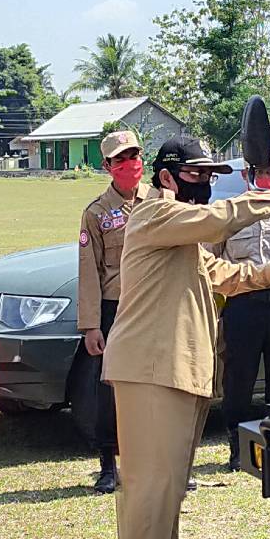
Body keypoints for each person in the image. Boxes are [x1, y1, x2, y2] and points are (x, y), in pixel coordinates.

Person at [102, 137, 270, 539]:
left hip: (178, 370)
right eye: (194, 174)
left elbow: (223, 273)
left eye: (208, 175)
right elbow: (222, 218)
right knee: (150, 484)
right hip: (149, 370)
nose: (203, 183)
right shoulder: (153, 216)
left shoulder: (182, 236)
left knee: (172, 483)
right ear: (166, 177)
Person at [209, 148, 270, 471]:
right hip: (241, 304)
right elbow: (211, 260)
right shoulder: (229, 214)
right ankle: (236, 446)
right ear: (246, 175)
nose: (267, 175)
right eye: (260, 169)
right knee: (238, 379)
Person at [77, 130, 149, 494]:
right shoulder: (97, 213)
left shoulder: (162, 200)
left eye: (134, 155)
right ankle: (108, 464)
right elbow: (88, 270)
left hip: (153, 305)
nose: (129, 164)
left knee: (156, 386)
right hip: (115, 307)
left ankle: (157, 461)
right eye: (120, 159)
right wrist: (91, 325)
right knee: (110, 388)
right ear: (107, 166)